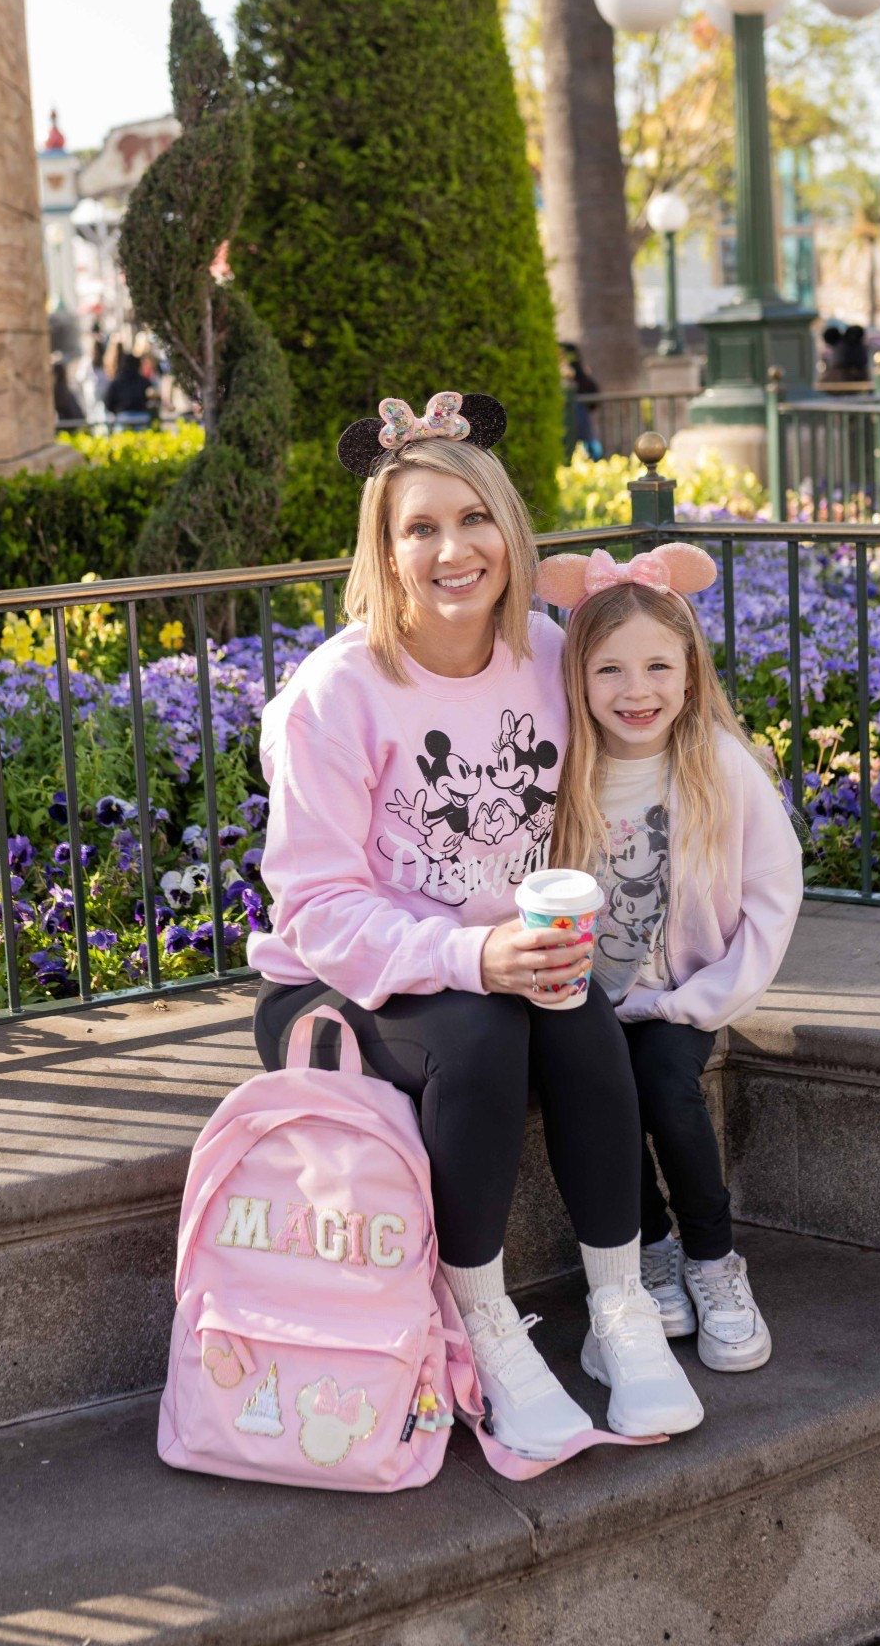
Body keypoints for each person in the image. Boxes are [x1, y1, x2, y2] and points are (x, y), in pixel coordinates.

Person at [249, 390, 702, 1458]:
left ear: (509, 529)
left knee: (578, 1015)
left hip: (505, 958)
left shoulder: (548, 652)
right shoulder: (335, 693)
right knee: (485, 1031)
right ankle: (484, 1322)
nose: (454, 550)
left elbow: (647, 747)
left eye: (474, 518)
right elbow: (316, 906)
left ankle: (620, 1309)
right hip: (339, 980)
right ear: (385, 550)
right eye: (421, 527)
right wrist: (470, 954)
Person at [538, 541, 803, 1372]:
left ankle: (714, 1260)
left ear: (690, 674)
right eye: (610, 670)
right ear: (578, 678)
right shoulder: (562, 773)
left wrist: (703, 1000)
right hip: (584, 1000)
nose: (637, 690)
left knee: (662, 1083)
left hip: (683, 993)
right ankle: (648, 1248)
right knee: (596, 1091)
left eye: (658, 666)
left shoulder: (720, 767)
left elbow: (773, 893)